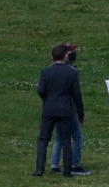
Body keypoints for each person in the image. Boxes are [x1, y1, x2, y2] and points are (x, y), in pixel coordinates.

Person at [33, 43, 85, 178]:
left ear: (52, 57)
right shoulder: (72, 72)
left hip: (49, 109)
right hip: (65, 109)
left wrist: (48, 99)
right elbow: (77, 95)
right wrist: (80, 113)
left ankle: (39, 169)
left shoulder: (45, 72)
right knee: (66, 140)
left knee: (43, 140)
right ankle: (67, 171)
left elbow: (40, 90)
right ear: (64, 56)